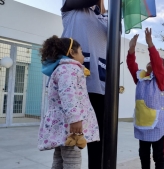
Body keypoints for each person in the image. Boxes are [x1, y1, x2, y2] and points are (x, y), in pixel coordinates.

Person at [37, 35, 100, 169]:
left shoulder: (61, 69)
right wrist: (75, 119)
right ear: (72, 52)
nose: (83, 55)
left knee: (60, 158)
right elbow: (68, 94)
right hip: (69, 126)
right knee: (72, 159)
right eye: (81, 51)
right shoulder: (69, 69)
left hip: (63, 123)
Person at [61, 0, 108, 168]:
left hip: (99, 86)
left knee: (98, 141)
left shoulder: (104, 16)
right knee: (69, 143)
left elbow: (114, 34)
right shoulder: (71, 6)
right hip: (72, 87)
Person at [127, 28, 164, 169]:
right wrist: (131, 50)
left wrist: (150, 43)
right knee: (143, 153)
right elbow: (131, 65)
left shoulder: (161, 80)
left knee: (158, 154)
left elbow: (157, 62)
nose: (153, 62)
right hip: (142, 123)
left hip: (156, 124)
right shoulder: (141, 77)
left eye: (158, 62)